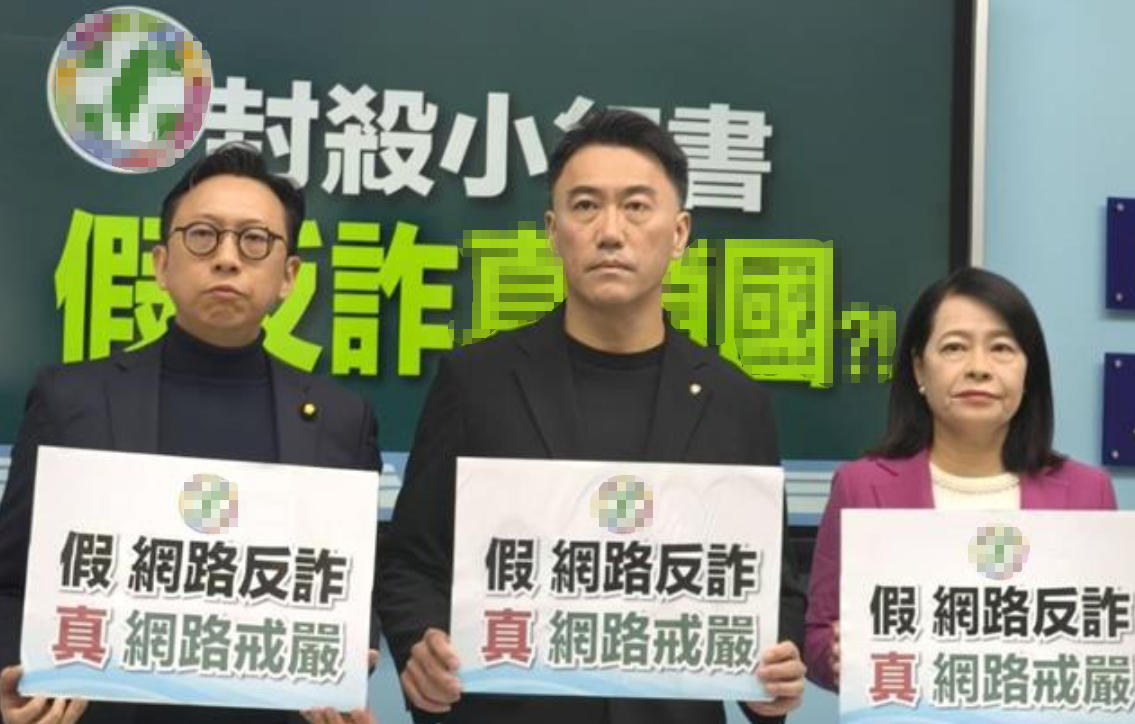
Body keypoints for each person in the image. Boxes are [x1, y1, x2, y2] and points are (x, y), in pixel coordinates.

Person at [377, 108, 807, 724]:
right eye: (585, 206)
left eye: (636, 207)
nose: (610, 232)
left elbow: (773, 587)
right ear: (553, 231)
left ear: (679, 233)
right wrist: (420, 645)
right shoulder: (477, 383)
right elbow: (412, 561)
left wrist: (775, 672)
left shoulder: (735, 403)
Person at [0, 144, 382, 724]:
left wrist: (346, 663)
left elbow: (354, 589)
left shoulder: (341, 420)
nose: (227, 258)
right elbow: (10, 583)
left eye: (254, 240)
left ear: (289, 276)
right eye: (203, 235)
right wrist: (16, 675)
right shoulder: (71, 402)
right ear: (161, 264)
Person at [804, 267, 1118, 692]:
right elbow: (819, 636)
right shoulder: (860, 486)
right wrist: (838, 655)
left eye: (1002, 348)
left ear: (1028, 372)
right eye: (954, 347)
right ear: (919, 369)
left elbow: (1108, 633)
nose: (978, 368)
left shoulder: (1087, 493)